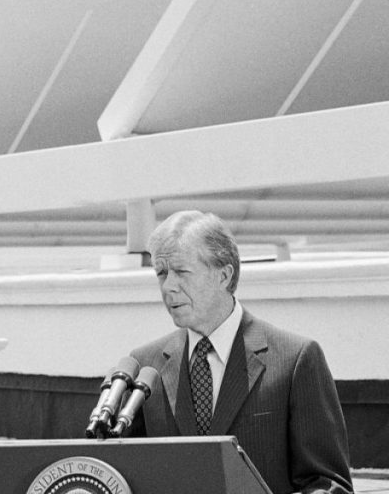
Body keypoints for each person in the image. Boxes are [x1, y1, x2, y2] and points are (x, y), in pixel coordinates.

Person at [126, 210, 353, 494]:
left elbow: (328, 485)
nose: (168, 286)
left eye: (182, 271)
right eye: (161, 273)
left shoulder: (295, 360)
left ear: (224, 275)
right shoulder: (144, 368)